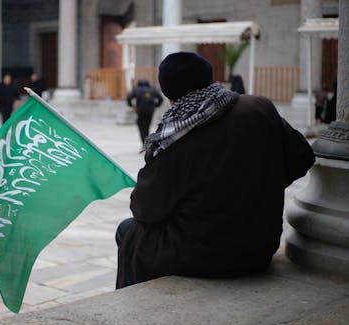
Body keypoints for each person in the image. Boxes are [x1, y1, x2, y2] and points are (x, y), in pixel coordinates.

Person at [115, 52, 315, 289]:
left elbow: (145, 209)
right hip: (259, 246)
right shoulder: (259, 107)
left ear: (169, 93)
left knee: (127, 231)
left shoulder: (176, 137)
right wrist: (257, 186)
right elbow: (302, 157)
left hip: (205, 256)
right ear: (210, 78)